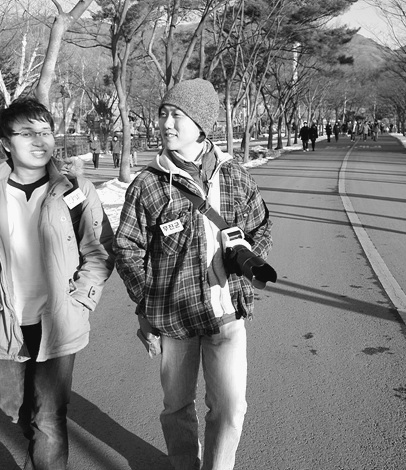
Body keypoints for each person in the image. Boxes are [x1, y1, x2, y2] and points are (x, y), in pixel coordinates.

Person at [0, 97, 114, 470]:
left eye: (46, 131)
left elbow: (99, 250)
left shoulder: (74, 189)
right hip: (5, 320)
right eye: (27, 133)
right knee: (14, 408)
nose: (40, 141)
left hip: (59, 319)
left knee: (48, 417)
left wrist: (81, 300)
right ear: (5, 142)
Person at [113, 78, 273, 470]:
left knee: (231, 408)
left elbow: (262, 225)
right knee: (177, 407)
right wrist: (147, 301)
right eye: (163, 114)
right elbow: (127, 247)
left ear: (202, 124)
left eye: (177, 115)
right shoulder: (149, 184)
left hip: (226, 314)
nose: (166, 123)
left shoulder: (234, 175)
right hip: (174, 320)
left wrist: (247, 253)